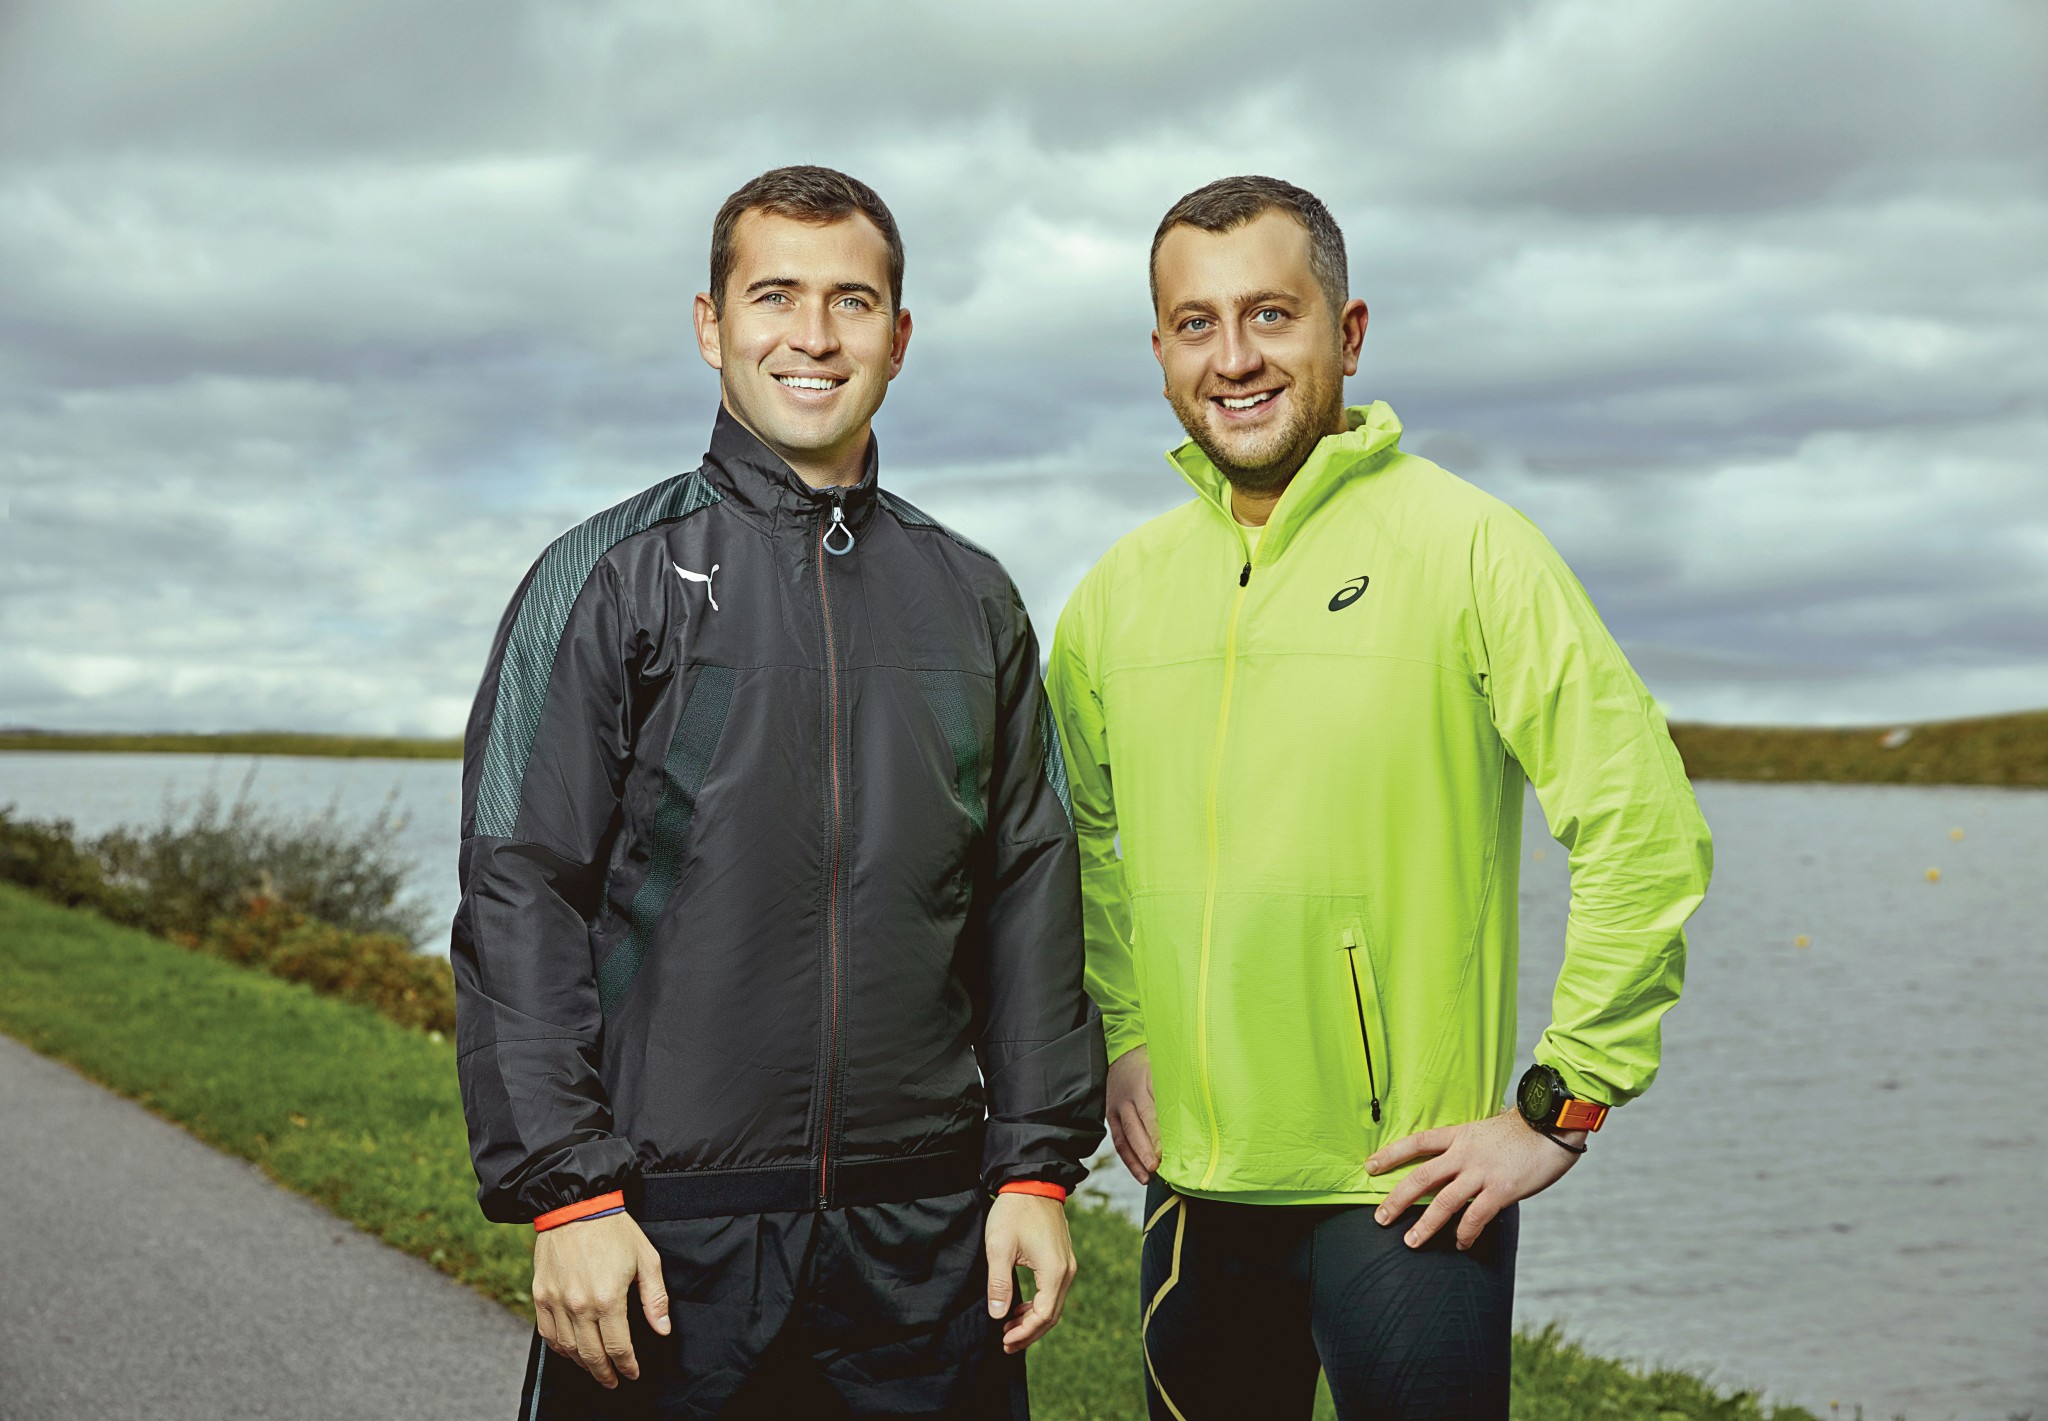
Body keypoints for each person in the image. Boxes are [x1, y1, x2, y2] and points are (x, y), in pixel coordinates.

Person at [1046, 176, 1713, 1420]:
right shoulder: (1113, 596)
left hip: (1407, 1192)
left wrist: (1559, 1103)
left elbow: (1642, 827)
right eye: (1195, 323)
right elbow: (1066, 840)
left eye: (1270, 314)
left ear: (1345, 332)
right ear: (1160, 353)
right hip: (1193, 1186)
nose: (1233, 357)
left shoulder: (1473, 551)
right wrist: (1121, 1032)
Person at [453, 165, 1105, 1419]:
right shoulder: (604, 577)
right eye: (774, 296)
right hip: (667, 1240)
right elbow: (518, 892)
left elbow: (1027, 889)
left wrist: (1032, 1167)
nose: (813, 335)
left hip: (923, 1244)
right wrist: (568, 1191)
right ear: (711, 325)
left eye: (851, 301)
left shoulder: (971, 595)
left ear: (897, 337)